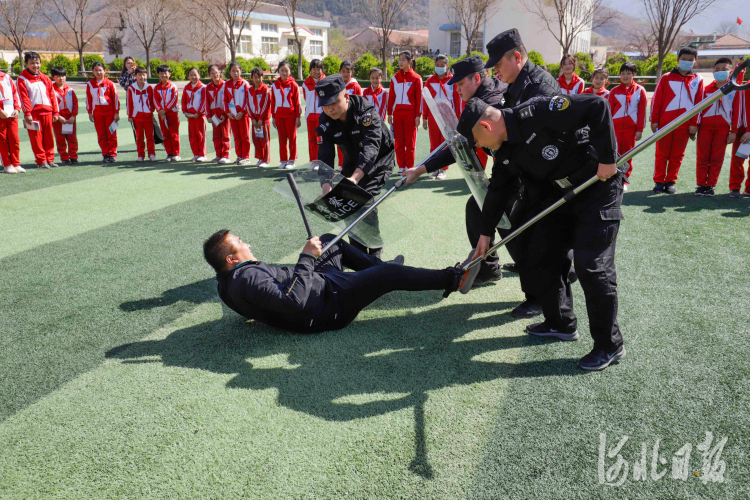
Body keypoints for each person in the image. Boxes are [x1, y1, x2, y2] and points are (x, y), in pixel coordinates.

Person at [457, 93, 625, 371]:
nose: (478, 147)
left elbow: (597, 106)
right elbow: (498, 189)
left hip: (599, 185)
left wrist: (608, 158)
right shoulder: (507, 148)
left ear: (486, 127)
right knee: (540, 252)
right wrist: (485, 234)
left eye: (476, 142)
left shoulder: (538, 110)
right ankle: (561, 323)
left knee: (592, 266)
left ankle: (610, 345)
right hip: (563, 194)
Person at [405, 30, 561, 318]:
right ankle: (490, 268)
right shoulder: (484, 97)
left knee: (515, 227)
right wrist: (422, 168)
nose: (458, 89)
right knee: (480, 209)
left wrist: (422, 168)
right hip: (512, 171)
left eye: (461, 83)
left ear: (477, 78)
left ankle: (542, 292)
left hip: (526, 174)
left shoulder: (495, 99)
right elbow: (460, 144)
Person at [204, 231, 475, 333]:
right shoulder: (247, 277)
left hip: (322, 286)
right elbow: (294, 302)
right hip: (330, 307)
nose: (247, 243)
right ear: (230, 259)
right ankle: (453, 279)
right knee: (391, 276)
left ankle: (377, 270)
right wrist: (306, 258)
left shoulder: (226, 284)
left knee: (330, 240)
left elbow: (256, 305)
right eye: (240, 243)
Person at [315, 74, 394, 259]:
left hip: (379, 158)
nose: (330, 109)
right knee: (347, 202)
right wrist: (327, 188)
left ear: (347, 97)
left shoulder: (364, 111)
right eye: (325, 105)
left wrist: (354, 179)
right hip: (352, 159)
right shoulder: (325, 121)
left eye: (333, 102)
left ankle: (375, 254)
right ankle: (359, 255)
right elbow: (325, 156)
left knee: (363, 198)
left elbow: (372, 146)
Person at [650, 46, 703, 194]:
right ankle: (659, 181)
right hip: (665, 124)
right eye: (684, 59)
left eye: (690, 60)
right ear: (678, 59)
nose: (687, 62)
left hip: (684, 126)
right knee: (661, 154)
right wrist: (654, 120)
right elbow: (657, 100)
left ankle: (670, 181)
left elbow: (700, 103)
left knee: (677, 155)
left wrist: (694, 124)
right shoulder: (666, 77)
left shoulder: (698, 79)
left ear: (695, 61)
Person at [695, 58, 735, 197]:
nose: (720, 72)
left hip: (723, 129)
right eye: (717, 69)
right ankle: (701, 184)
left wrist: (733, 131)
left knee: (717, 158)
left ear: (730, 71)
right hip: (705, 128)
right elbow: (697, 110)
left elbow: (736, 112)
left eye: (724, 69)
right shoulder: (705, 89)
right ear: (713, 71)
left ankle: (711, 185)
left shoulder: (735, 90)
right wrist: (695, 125)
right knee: (702, 157)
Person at [17, 51, 60, 169]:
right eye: (32, 63)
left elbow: (52, 96)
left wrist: (56, 112)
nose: (35, 65)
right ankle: (41, 160)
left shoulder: (45, 78)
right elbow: (23, 97)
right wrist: (27, 113)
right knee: (36, 138)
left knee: (49, 138)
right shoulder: (22, 79)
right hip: (34, 114)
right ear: (26, 64)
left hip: (48, 112)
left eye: (37, 63)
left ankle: (50, 159)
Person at [607, 61, 647, 188]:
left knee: (628, 156)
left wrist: (639, 129)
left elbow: (642, 112)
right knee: (614, 154)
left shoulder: (640, 91)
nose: (625, 76)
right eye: (623, 73)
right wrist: (608, 128)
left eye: (628, 73)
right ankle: (612, 178)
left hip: (631, 130)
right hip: (615, 129)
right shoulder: (613, 91)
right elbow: (609, 111)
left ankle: (624, 180)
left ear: (634, 74)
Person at [422, 54, 460, 180]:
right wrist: (425, 117)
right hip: (434, 116)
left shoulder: (453, 80)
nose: (439, 67)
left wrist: (458, 118)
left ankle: (443, 169)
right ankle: (434, 168)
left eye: (442, 65)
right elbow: (426, 100)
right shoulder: (429, 81)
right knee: (434, 142)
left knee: (446, 143)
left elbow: (457, 99)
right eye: (437, 65)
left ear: (447, 66)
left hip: (448, 116)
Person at [387, 50, 423, 174]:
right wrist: (389, 113)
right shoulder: (394, 79)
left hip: (411, 115)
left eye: (403, 59)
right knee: (399, 142)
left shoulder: (417, 78)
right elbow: (391, 97)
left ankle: (409, 167)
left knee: (410, 143)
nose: (400, 62)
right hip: (397, 114)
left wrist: (418, 115)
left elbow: (419, 98)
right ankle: (401, 166)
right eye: (399, 59)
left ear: (410, 62)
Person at [86, 62, 119, 163]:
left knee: (111, 133)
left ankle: (112, 154)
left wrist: (116, 113)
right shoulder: (90, 84)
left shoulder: (110, 83)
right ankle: (105, 154)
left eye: (100, 70)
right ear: (93, 71)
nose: (98, 72)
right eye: (96, 70)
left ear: (105, 71)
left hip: (109, 113)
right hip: (97, 113)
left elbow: (116, 99)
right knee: (101, 134)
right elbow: (88, 99)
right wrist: (90, 112)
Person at [271, 60, 301, 170]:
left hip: (291, 116)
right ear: (278, 71)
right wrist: (273, 117)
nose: (284, 73)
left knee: (292, 139)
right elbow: (273, 102)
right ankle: (283, 160)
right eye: (282, 70)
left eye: (286, 70)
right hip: (279, 116)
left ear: (290, 71)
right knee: (282, 139)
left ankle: (292, 160)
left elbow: (297, 102)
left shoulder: (293, 85)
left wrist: (298, 117)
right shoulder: (274, 86)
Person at [223, 62, 252, 166]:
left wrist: (242, 112)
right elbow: (225, 99)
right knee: (236, 136)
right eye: (233, 71)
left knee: (245, 136)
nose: (236, 73)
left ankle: (246, 157)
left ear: (241, 71)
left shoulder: (245, 84)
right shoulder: (226, 84)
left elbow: (248, 100)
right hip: (232, 115)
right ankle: (239, 156)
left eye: (237, 70)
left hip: (243, 115)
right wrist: (227, 112)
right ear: (230, 72)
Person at [126, 66, 157, 162]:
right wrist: (130, 115)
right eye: (140, 75)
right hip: (137, 117)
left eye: (144, 75)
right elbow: (129, 103)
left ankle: (151, 154)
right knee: (139, 137)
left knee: (150, 136)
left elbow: (153, 101)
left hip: (148, 116)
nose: (142, 77)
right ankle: (140, 155)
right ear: (135, 76)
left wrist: (150, 110)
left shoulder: (150, 88)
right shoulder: (131, 88)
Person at [336, 60, 363, 169]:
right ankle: (342, 164)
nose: (345, 74)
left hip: (352, 118)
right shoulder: (338, 85)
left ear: (352, 72)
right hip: (340, 118)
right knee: (340, 141)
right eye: (343, 71)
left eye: (348, 71)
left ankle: (354, 163)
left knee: (353, 141)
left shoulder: (356, 86)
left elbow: (360, 102)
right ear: (340, 72)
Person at [50, 66, 79, 165]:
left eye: (63, 76)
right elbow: (51, 104)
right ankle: (64, 157)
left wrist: (73, 116)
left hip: (70, 118)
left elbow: (75, 104)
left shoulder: (70, 90)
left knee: (72, 138)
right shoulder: (51, 90)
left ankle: (73, 156)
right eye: (58, 76)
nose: (61, 78)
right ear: (53, 77)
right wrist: (57, 116)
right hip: (58, 119)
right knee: (60, 139)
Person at [729, 68, 750, 198]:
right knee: (738, 159)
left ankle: (748, 188)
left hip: (748, 132)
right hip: (741, 132)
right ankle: (735, 187)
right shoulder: (742, 86)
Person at [153, 64, 181, 162]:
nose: (164, 75)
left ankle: (176, 153)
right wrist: (160, 111)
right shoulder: (156, 88)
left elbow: (174, 99)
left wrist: (165, 110)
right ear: (158, 75)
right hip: (162, 115)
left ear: (169, 74)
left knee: (174, 133)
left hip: (172, 113)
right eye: (162, 73)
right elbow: (155, 100)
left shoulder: (173, 87)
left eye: (166, 73)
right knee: (165, 134)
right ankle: (169, 153)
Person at [301, 59, 325, 169]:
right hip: (310, 116)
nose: (316, 71)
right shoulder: (306, 83)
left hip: (323, 116)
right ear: (310, 70)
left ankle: (322, 162)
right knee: (311, 139)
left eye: (318, 69)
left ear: (322, 70)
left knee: (322, 140)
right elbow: (306, 98)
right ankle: (314, 161)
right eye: (314, 69)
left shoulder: (326, 82)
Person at [205, 64, 231, 164]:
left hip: (223, 116)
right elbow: (206, 102)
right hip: (214, 116)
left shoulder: (225, 85)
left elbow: (227, 100)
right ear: (209, 75)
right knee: (216, 136)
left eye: (216, 72)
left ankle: (225, 155)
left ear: (220, 72)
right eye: (212, 73)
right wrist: (208, 116)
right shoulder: (208, 87)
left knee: (225, 135)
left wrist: (225, 114)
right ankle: (218, 155)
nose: (215, 74)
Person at [182, 67, 207, 162]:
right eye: (191, 75)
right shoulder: (186, 87)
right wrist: (185, 111)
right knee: (192, 136)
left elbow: (204, 102)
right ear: (188, 76)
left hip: (199, 116)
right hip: (190, 116)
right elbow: (184, 100)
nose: (193, 77)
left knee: (201, 135)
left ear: (199, 76)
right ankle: (196, 154)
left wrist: (199, 112)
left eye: (195, 75)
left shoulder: (203, 87)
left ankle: (202, 154)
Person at [0, 68, 22, 174]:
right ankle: (7, 164)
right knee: (2, 140)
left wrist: (17, 108)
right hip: (1, 114)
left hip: (11, 112)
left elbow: (15, 94)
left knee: (14, 138)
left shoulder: (7, 77)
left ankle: (16, 163)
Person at [248, 67, 271, 168]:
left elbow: (266, 105)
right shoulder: (249, 90)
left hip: (263, 120)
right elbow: (247, 104)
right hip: (254, 120)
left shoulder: (265, 89)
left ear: (262, 77)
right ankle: (260, 158)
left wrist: (261, 118)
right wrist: (252, 118)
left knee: (264, 140)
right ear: (252, 78)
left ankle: (266, 159)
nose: (257, 79)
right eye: (255, 77)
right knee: (256, 139)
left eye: (259, 77)